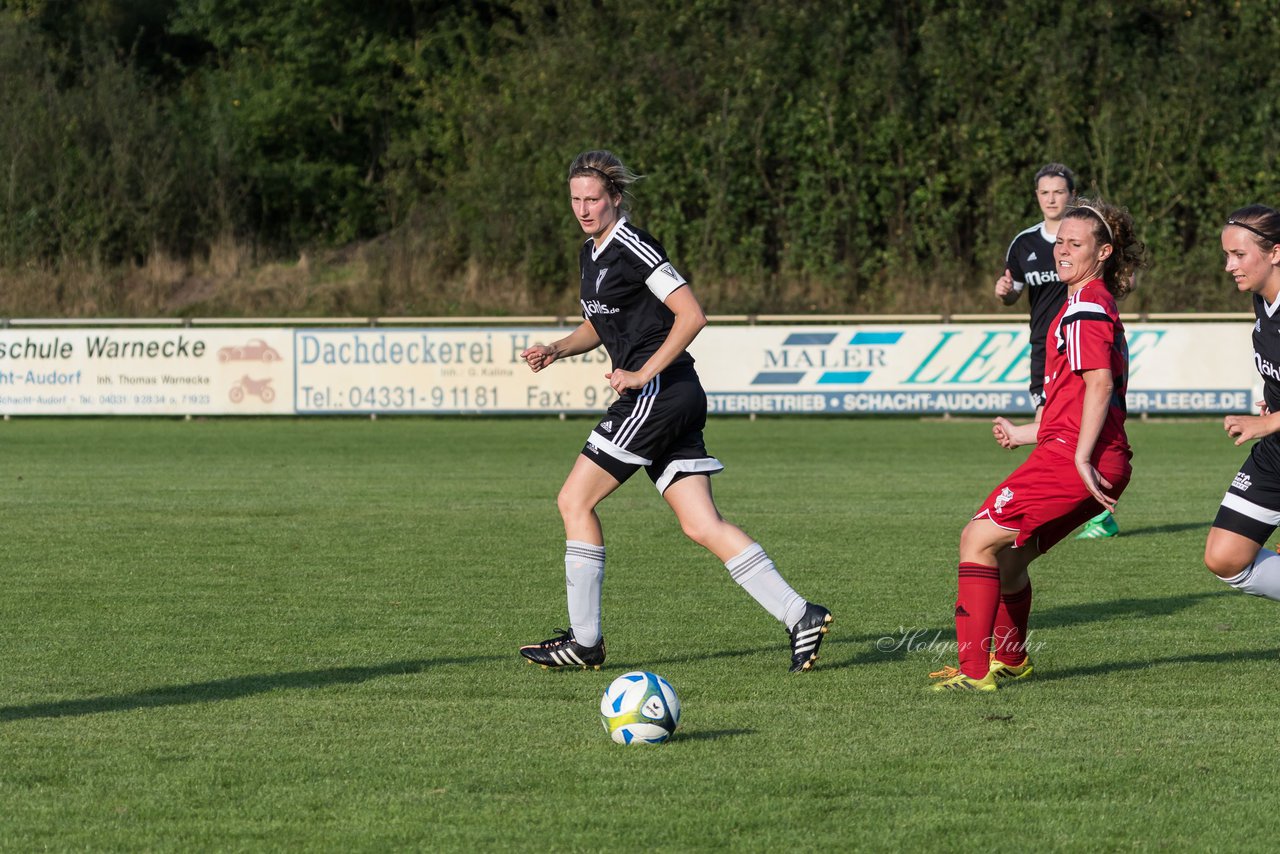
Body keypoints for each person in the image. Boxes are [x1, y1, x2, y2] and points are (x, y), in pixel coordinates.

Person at [517, 150, 832, 673]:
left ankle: (585, 640)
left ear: (615, 197)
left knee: (574, 499)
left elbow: (692, 314)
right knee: (701, 523)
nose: (583, 208)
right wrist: (558, 348)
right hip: (672, 394)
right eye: (575, 199)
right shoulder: (591, 254)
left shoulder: (633, 246)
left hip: (658, 393)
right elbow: (603, 322)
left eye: (593, 198)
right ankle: (801, 614)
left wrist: (641, 375)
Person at [932, 199, 1144, 691]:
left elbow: (1100, 386)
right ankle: (1012, 659)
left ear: (1104, 251)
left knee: (976, 539)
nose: (1063, 251)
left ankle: (973, 671)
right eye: (1060, 242)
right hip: (1083, 451)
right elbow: (1078, 394)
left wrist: (1080, 456)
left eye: (1077, 243)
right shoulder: (1082, 302)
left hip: (1078, 457)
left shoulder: (1088, 305)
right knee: (1008, 558)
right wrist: (1029, 433)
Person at [995, 163, 1119, 540]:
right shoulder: (1025, 244)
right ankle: (1079, 505)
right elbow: (1013, 290)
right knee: (1057, 422)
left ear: (1071, 195)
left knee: (1064, 425)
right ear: (1037, 197)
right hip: (1044, 349)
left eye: (1058, 192)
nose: (1051, 199)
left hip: (1078, 346)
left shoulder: (1085, 241)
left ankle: (1078, 506)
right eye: (1044, 192)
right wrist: (1006, 294)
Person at [1203, 205, 1280, 604]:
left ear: (1275, 253)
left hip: (1273, 436)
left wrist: (1266, 423)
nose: (1230, 265)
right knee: (1225, 557)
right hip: (1276, 454)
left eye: (1239, 255)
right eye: (1226, 256)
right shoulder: (1262, 300)